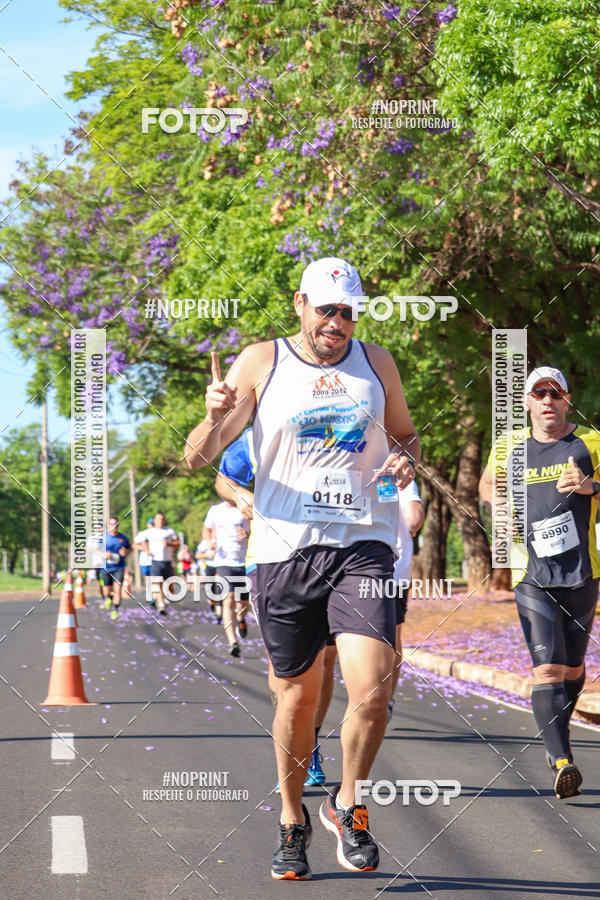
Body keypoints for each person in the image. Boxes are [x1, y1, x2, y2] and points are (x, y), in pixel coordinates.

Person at [185, 256, 420, 879]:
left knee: (372, 687)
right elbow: (196, 457)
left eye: (347, 312)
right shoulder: (263, 361)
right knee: (296, 698)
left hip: (363, 544)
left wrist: (403, 462)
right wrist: (214, 417)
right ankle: (292, 819)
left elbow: (405, 436)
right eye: (326, 309)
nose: (336, 323)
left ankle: (350, 804)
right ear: (300, 304)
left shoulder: (377, 363)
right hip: (283, 552)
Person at [479, 366, 600, 800]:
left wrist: (590, 486)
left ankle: (557, 743)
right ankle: (563, 759)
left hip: (582, 572)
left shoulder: (590, 441)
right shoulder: (510, 446)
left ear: (568, 399)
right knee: (546, 666)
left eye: (556, 393)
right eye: (539, 393)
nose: (548, 400)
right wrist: (498, 507)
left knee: (571, 669)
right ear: (527, 402)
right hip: (530, 574)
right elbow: (488, 483)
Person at [215, 426, 333, 786]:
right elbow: (224, 479)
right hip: (270, 557)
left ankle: (309, 739)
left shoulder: (335, 421)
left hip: (336, 551)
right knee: (286, 663)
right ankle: (292, 730)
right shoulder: (255, 436)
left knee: (325, 659)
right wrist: (239, 495)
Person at [388, 481, 425, 721]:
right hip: (395, 570)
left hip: (350, 567)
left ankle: (367, 694)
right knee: (393, 635)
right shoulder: (400, 474)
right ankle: (386, 698)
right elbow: (413, 521)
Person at [203, 499, 250, 656]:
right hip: (223, 561)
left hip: (244, 561)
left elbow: (256, 531)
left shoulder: (245, 507)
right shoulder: (215, 510)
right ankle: (233, 642)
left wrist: (247, 534)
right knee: (228, 598)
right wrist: (209, 541)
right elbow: (207, 529)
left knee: (244, 603)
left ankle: (241, 619)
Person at [143, 513, 179, 615]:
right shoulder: (150, 532)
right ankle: (161, 604)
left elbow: (177, 543)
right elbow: (143, 542)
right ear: (154, 521)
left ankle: (162, 599)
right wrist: (147, 550)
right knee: (157, 583)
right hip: (155, 561)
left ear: (164, 520)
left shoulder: (170, 531)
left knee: (169, 586)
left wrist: (169, 545)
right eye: (158, 519)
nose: (160, 521)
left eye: (162, 519)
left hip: (167, 561)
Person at [100, 517, 132, 620]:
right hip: (105, 568)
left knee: (118, 590)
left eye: (116, 525)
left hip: (119, 567)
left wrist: (125, 552)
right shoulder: (103, 538)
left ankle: (115, 610)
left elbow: (129, 549)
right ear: (108, 526)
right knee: (106, 591)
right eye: (111, 524)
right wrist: (103, 554)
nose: (114, 527)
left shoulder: (123, 538)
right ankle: (108, 598)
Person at [133, 517, 155, 603]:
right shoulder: (143, 533)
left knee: (156, 578)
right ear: (148, 524)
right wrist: (145, 549)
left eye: (153, 524)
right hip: (145, 560)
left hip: (156, 560)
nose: (152, 525)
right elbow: (134, 545)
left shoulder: (160, 533)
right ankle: (150, 595)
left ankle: (156, 596)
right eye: (151, 524)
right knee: (148, 578)